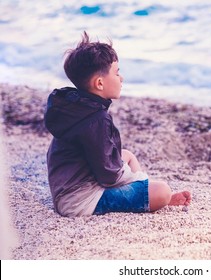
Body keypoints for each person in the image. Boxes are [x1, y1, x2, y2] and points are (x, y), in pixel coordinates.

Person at [44, 31, 191, 217]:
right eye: (117, 73)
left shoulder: (76, 108)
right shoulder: (95, 120)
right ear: (99, 83)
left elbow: (103, 161)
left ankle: (143, 193)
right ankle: (148, 195)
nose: (121, 78)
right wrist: (137, 179)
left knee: (127, 156)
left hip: (66, 192)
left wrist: (129, 173)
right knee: (162, 191)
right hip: (81, 200)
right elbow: (109, 176)